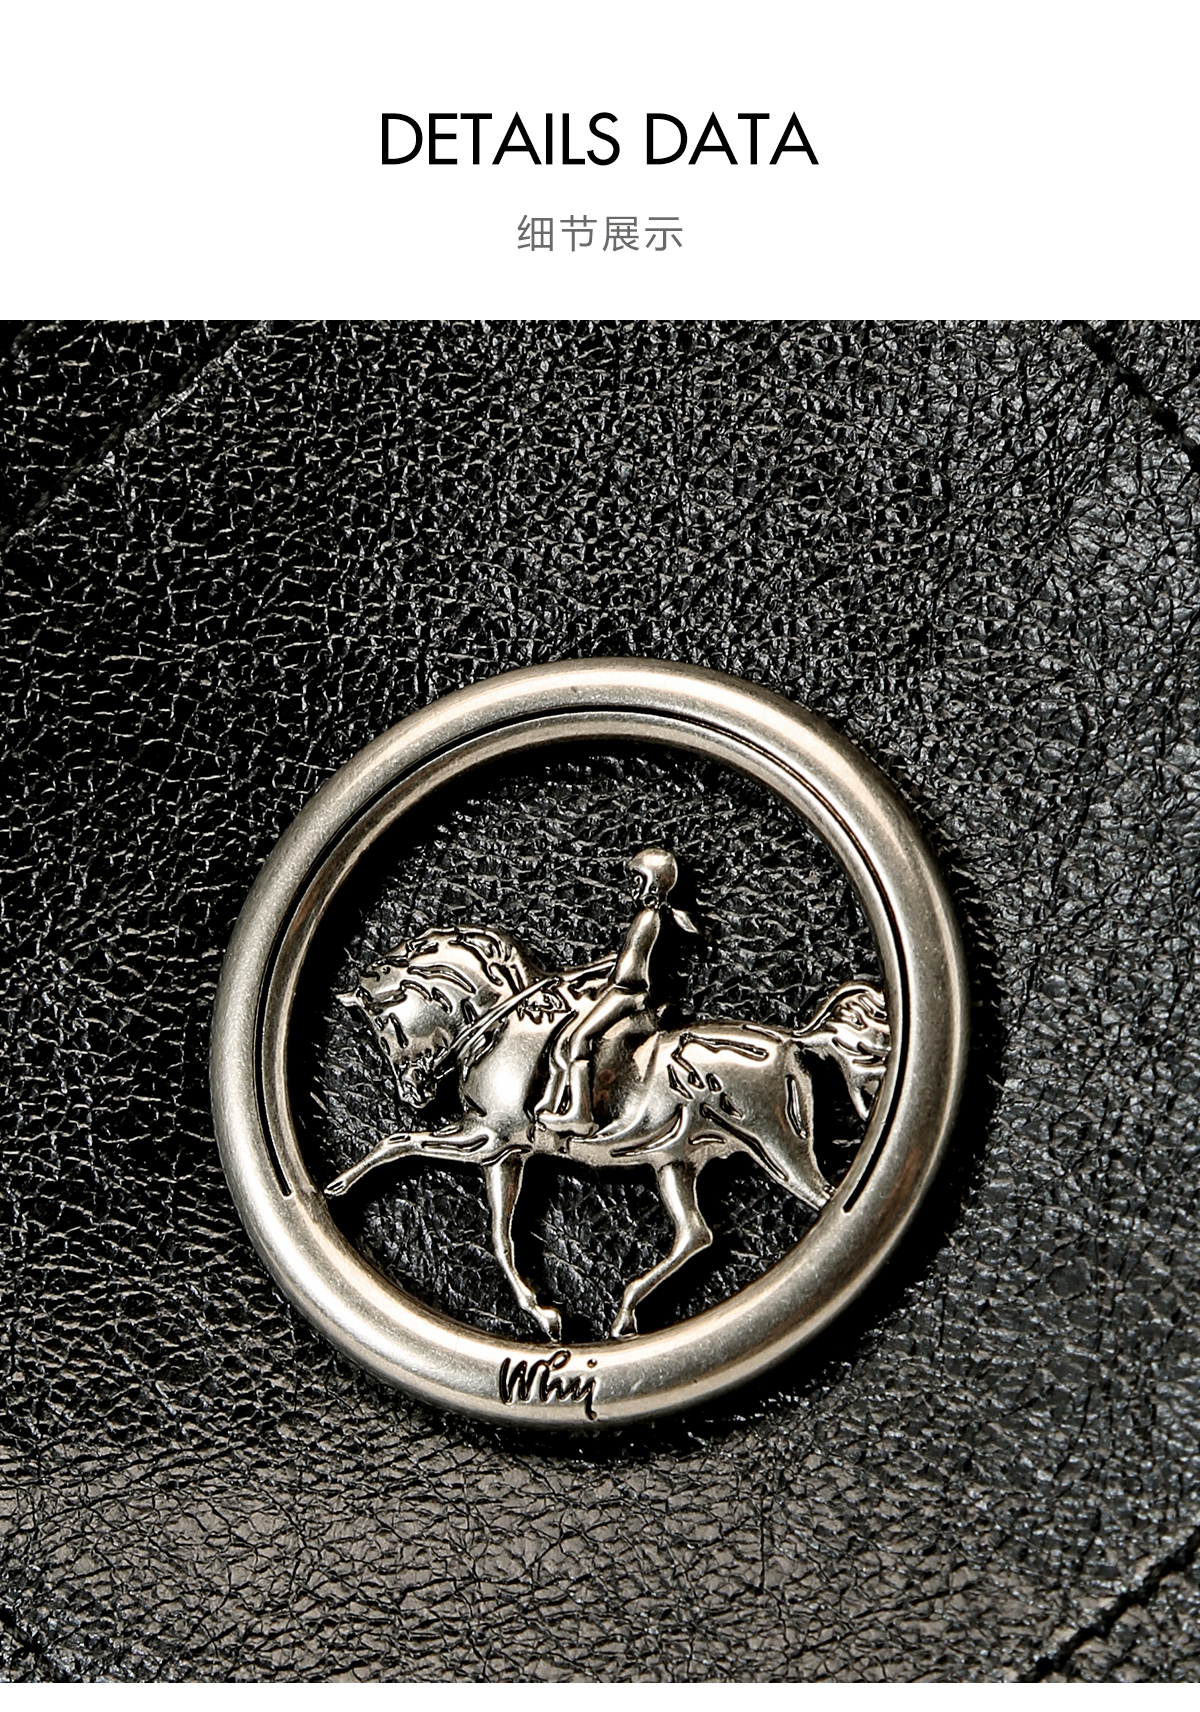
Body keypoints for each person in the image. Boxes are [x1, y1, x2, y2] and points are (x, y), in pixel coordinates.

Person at [538, 847, 698, 1136]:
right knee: (567, 1035)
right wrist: (587, 974)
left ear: (653, 882)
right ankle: (556, 1102)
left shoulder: (649, 918)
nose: (633, 887)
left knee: (580, 1039)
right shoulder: (649, 917)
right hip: (620, 989)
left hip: (628, 995)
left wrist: (608, 985)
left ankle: (580, 1113)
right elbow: (623, 960)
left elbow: (632, 974)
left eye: (638, 880)